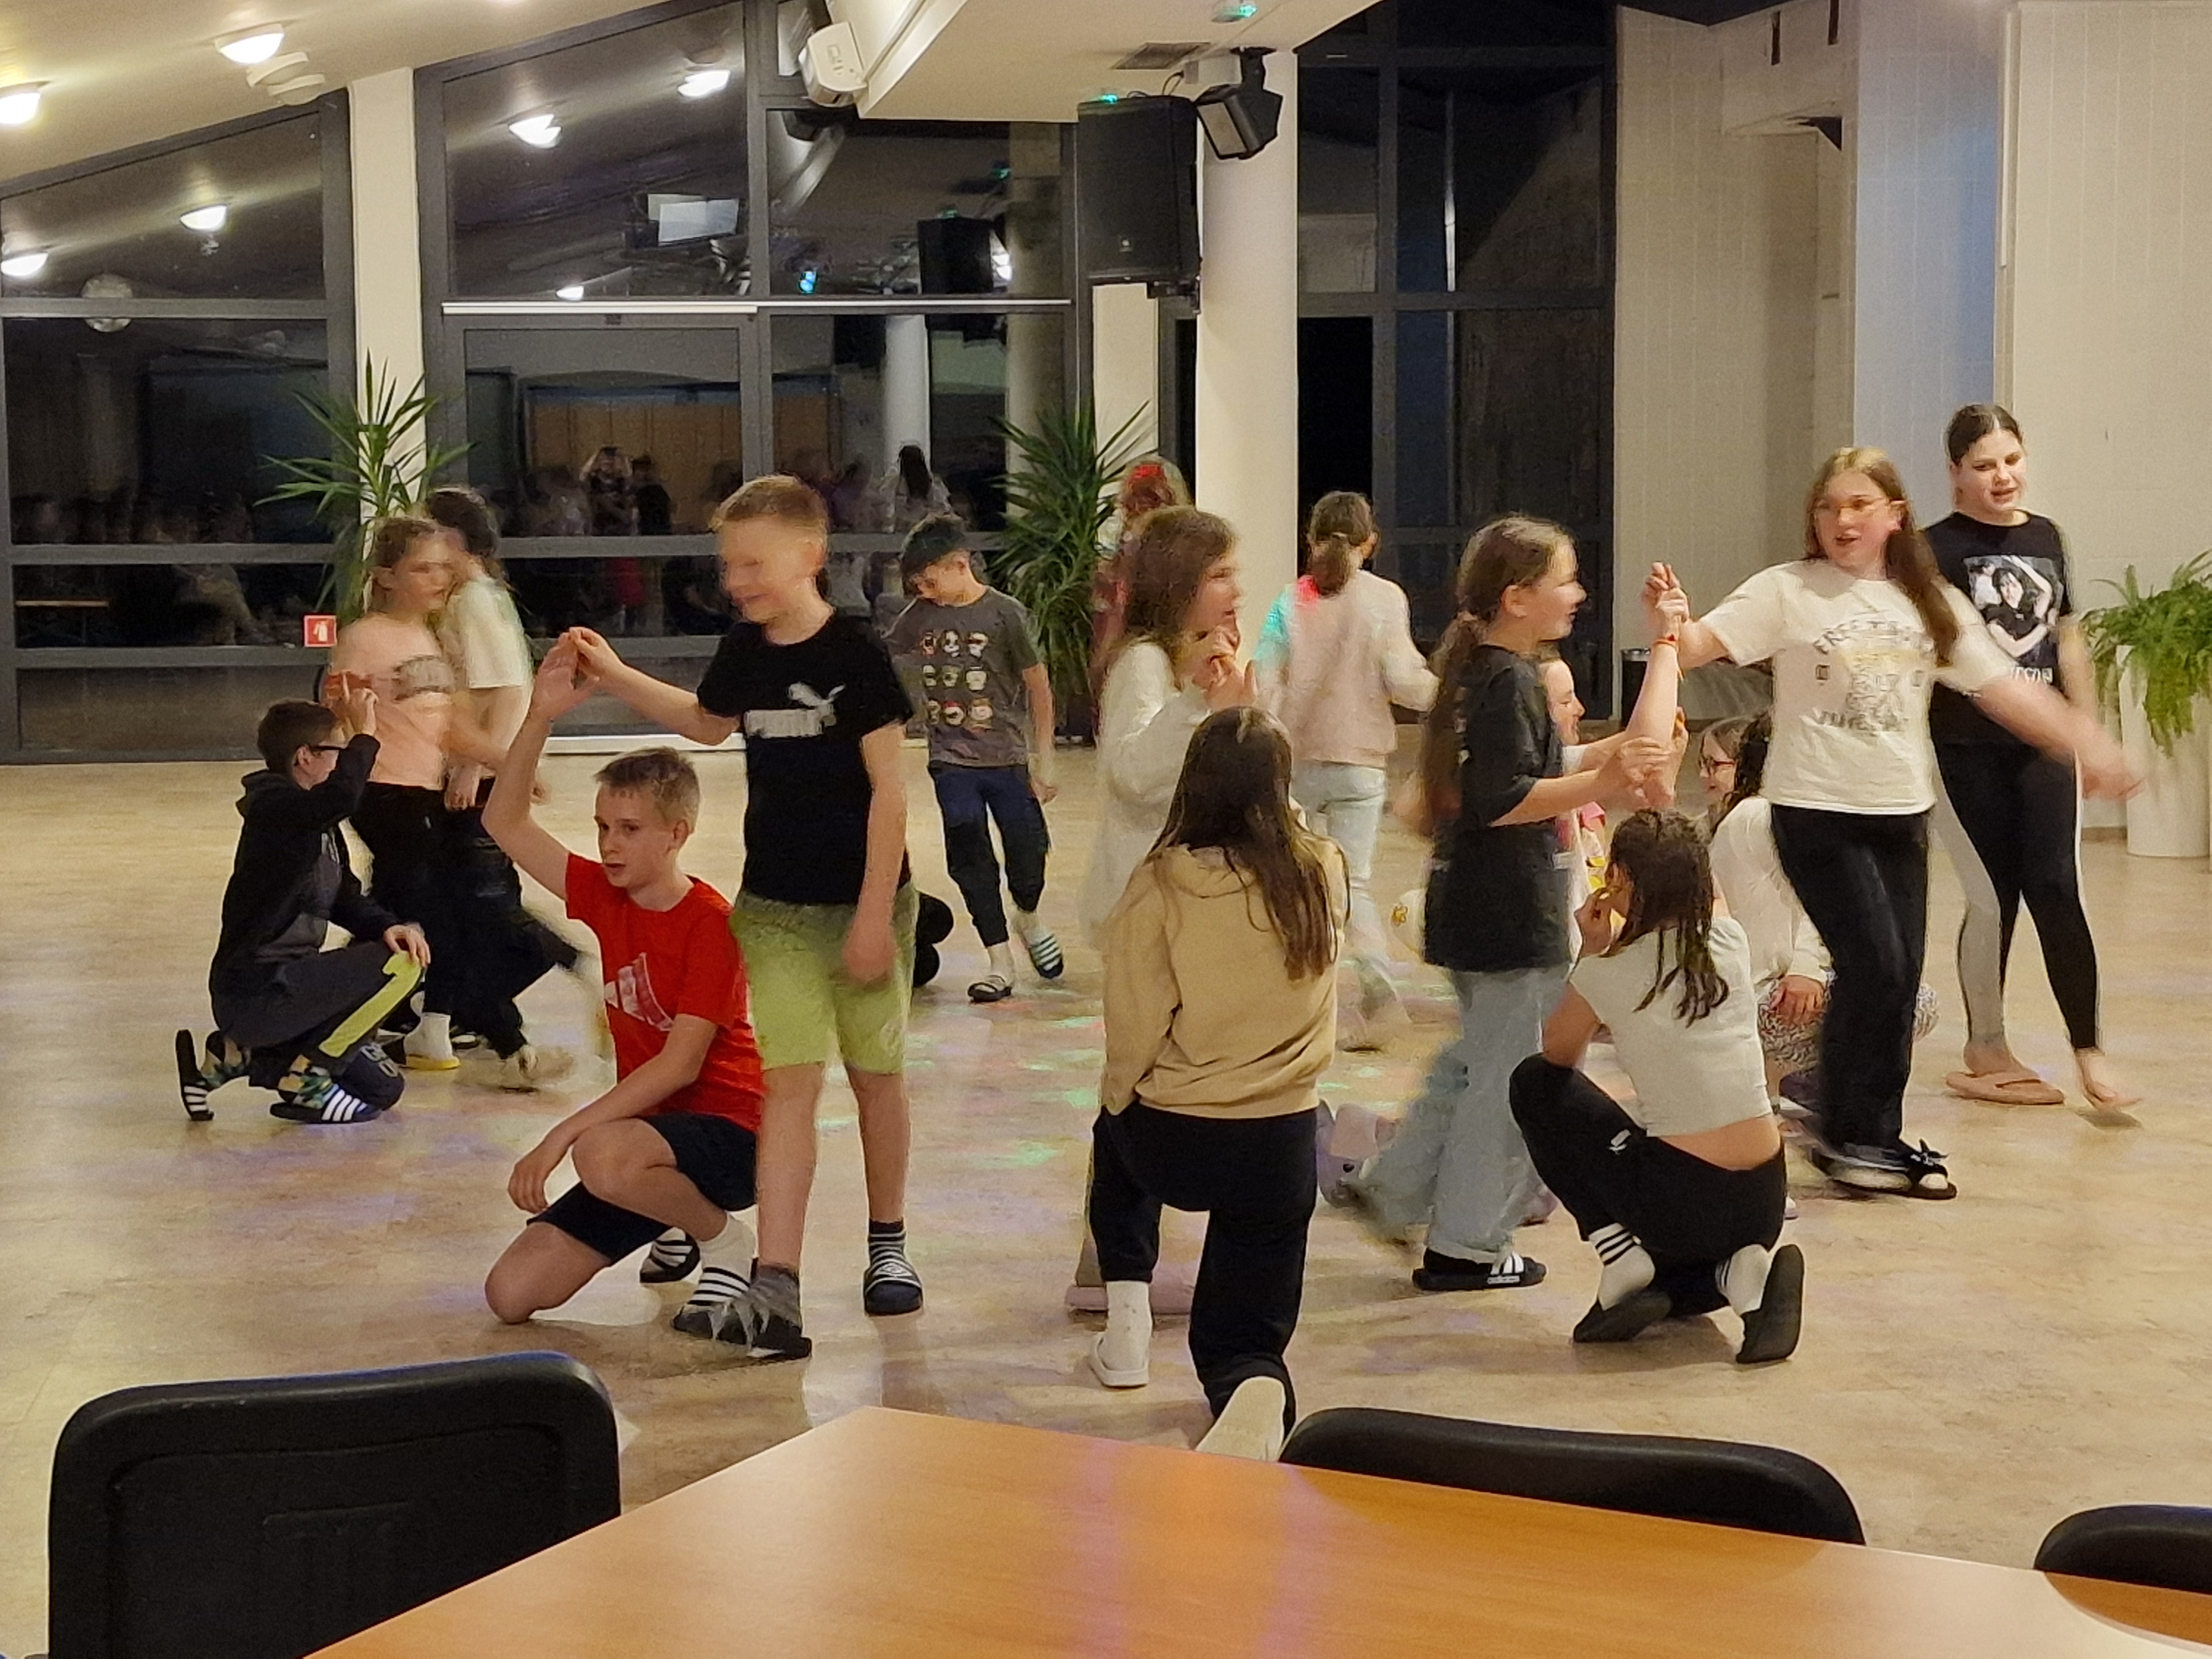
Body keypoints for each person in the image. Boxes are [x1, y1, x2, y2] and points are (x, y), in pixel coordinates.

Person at [1645, 446, 2133, 1198]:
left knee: (1900, 977)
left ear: (1894, 516)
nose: (1842, 520)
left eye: (1858, 506)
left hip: (1899, 812)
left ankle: (1874, 1135)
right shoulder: (1789, 590)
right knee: (1872, 963)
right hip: (1815, 809)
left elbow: (2007, 690)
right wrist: (1671, 625)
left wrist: (2087, 742)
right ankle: (1847, 1134)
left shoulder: (1929, 602)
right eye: (1828, 507)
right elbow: (1701, 644)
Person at [562, 475, 920, 1357]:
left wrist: (874, 917)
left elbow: (890, 793)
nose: (737, 582)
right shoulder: (744, 649)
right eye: (730, 566)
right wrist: (614, 675)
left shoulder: (857, 653)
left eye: (753, 565)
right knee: (790, 1085)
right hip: (776, 912)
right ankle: (778, 1282)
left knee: (876, 1077)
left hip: (867, 902)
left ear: (811, 556)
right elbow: (705, 722)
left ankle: (888, 1241)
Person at [1337, 517, 1674, 1292]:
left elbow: (1523, 769)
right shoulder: (1510, 680)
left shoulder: (1484, 673)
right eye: (1566, 580)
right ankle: (1468, 1245)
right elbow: (1504, 798)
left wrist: (1605, 753)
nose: (1578, 594)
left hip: (1476, 908)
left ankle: (1396, 1190)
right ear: (1518, 597)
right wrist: (1603, 783)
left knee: (1472, 1066)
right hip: (1509, 914)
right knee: (1511, 1085)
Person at [477, 647, 779, 1345]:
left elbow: (680, 1065)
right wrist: (540, 716)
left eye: (631, 830)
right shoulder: (604, 895)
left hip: (732, 1135)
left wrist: (559, 1135)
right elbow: (506, 823)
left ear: (678, 835)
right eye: (604, 828)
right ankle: (671, 1215)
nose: (610, 846)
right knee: (510, 1295)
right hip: (648, 1143)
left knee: (601, 1154)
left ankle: (724, 1241)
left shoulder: (712, 925)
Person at [1087, 708, 1349, 1459]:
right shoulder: (1321, 871)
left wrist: (1119, 1096)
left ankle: (1126, 1321)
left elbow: (1133, 1025)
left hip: (1177, 1137)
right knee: (1243, 1334)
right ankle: (1254, 1389)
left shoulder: (1159, 886)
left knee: (1113, 1133)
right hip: (1282, 1138)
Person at [1510, 811, 1802, 1364]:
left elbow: (1558, 1055)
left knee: (1533, 1084)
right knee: (1681, 1282)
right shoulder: (1731, 939)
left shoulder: (1609, 971)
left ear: (1618, 877)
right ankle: (1744, 1276)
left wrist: (1592, 948)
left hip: (1681, 1198)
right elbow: (1704, 905)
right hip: (1764, 1195)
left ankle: (1617, 1251)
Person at [1927, 406, 2133, 1110]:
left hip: (2043, 748)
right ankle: (1986, 1044)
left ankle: (2089, 1049)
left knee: (2055, 886)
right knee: (1993, 899)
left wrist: (2084, 729)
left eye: (2010, 460)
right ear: (1955, 473)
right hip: (1963, 747)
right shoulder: (1932, 549)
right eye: (1983, 466)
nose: (2001, 477)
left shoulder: (2046, 536)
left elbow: (2066, 636)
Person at [176, 693, 430, 1125]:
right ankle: (309, 1078)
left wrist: (387, 926)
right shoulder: (274, 809)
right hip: (258, 989)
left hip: (293, 987)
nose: (344, 762)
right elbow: (341, 798)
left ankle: (240, 1055)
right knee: (403, 966)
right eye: (337, 751)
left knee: (382, 1090)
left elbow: (345, 898)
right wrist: (365, 735)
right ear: (305, 757)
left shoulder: (317, 824)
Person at [1255, 491, 1437, 1041]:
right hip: (1360, 765)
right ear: (1370, 542)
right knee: (1352, 881)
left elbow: (1266, 682)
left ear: (1310, 540)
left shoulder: (1288, 603)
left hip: (1296, 762)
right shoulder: (1385, 599)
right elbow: (1404, 680)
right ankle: (1379, 994)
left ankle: (1295, 1002)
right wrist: (1454, 694)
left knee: (1296, 883)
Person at [425, 485, 580, 1090]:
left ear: (454, 540)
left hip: (476, 775)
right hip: (477, 767)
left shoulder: (474, 601)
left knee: (481, 906)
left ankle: (565, 973)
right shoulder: (473, 597)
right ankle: (447, 1019)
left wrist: (477, 764)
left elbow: (508, 691)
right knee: (463, 903)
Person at [1707, 714, 1940, 1104]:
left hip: (1754, 997)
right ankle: (1814, 1086)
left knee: (1892, 986)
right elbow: (1821, 900)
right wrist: (1807, 969)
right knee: (1913, 1001)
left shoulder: (1751, 812)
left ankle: (1813, 1085)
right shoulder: (1765, 816)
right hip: (1760, 1002)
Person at [884, 514, 1063, 1003]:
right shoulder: (920, 616)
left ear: (959, 565)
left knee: (1027, 849)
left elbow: (1039, 687)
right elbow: (884, 656)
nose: (924, 592)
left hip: (1006, 756)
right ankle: (998, 957)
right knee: (968, 848)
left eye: (929, 580)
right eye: (917, 585)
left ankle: (1028, 915)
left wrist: (1044, 759)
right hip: (951, 759)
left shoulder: (1005, 614)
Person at [1077, 506, 1253, 943]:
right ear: (1179, 584)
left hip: (1187, 899)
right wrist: (1197, 702)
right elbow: (1132, 776)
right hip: (1147, 906)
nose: (1237, 592)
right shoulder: (1144, 661)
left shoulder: (1196, 662)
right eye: (1220, 575)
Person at [329, 516, 465, 1071]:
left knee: (395, 910)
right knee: (431, 909)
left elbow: (446, 722)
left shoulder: (431, 634)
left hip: (426, 788)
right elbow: (341, 715)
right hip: (385, 789)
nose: (437, 579)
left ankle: (340, 1012)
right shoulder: (364, 639)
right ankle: (432, 1026)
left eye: (441, 568)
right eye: (421, 569)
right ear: (387, 576)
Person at [1091, 457, 1191, 706]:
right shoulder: (1122, 557)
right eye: (1133, 504)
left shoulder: (1186, 556)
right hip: (1128, 653)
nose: (1140, 511)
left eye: (1151, 502)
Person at [876, 443, 951, 534]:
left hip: (923, 527)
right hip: (906, 528)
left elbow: (942, 508)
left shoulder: (933, 483)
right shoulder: (895, 482)